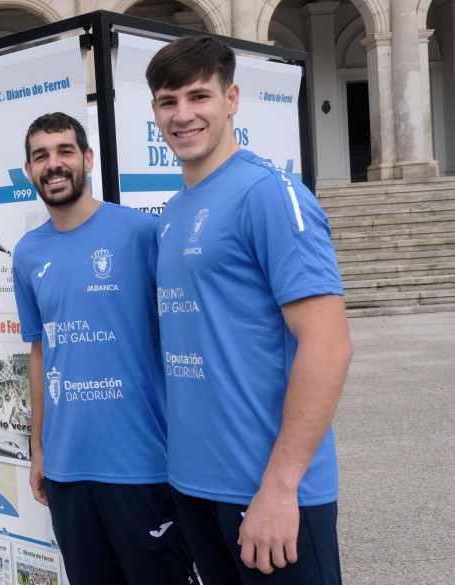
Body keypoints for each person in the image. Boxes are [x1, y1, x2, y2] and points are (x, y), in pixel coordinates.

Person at [145, 35, 353, 584]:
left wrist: (281, 488)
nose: (183, 115)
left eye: (199, 97)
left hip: (269, 494)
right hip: (195, 488)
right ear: (155, 111)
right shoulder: (171, 213)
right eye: (169, 102)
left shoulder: (269, 194)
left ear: (231, 99)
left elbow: (328, 344)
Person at [12, 112, 192, 584]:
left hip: (142, 463)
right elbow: (40, 352)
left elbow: (186, 334)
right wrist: (38, 450)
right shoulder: (27, 254)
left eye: (65, 151)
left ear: (87, 159)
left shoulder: (140, 233)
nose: (53, 164)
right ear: (29, 171)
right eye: (41, 156)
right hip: (67, 467)